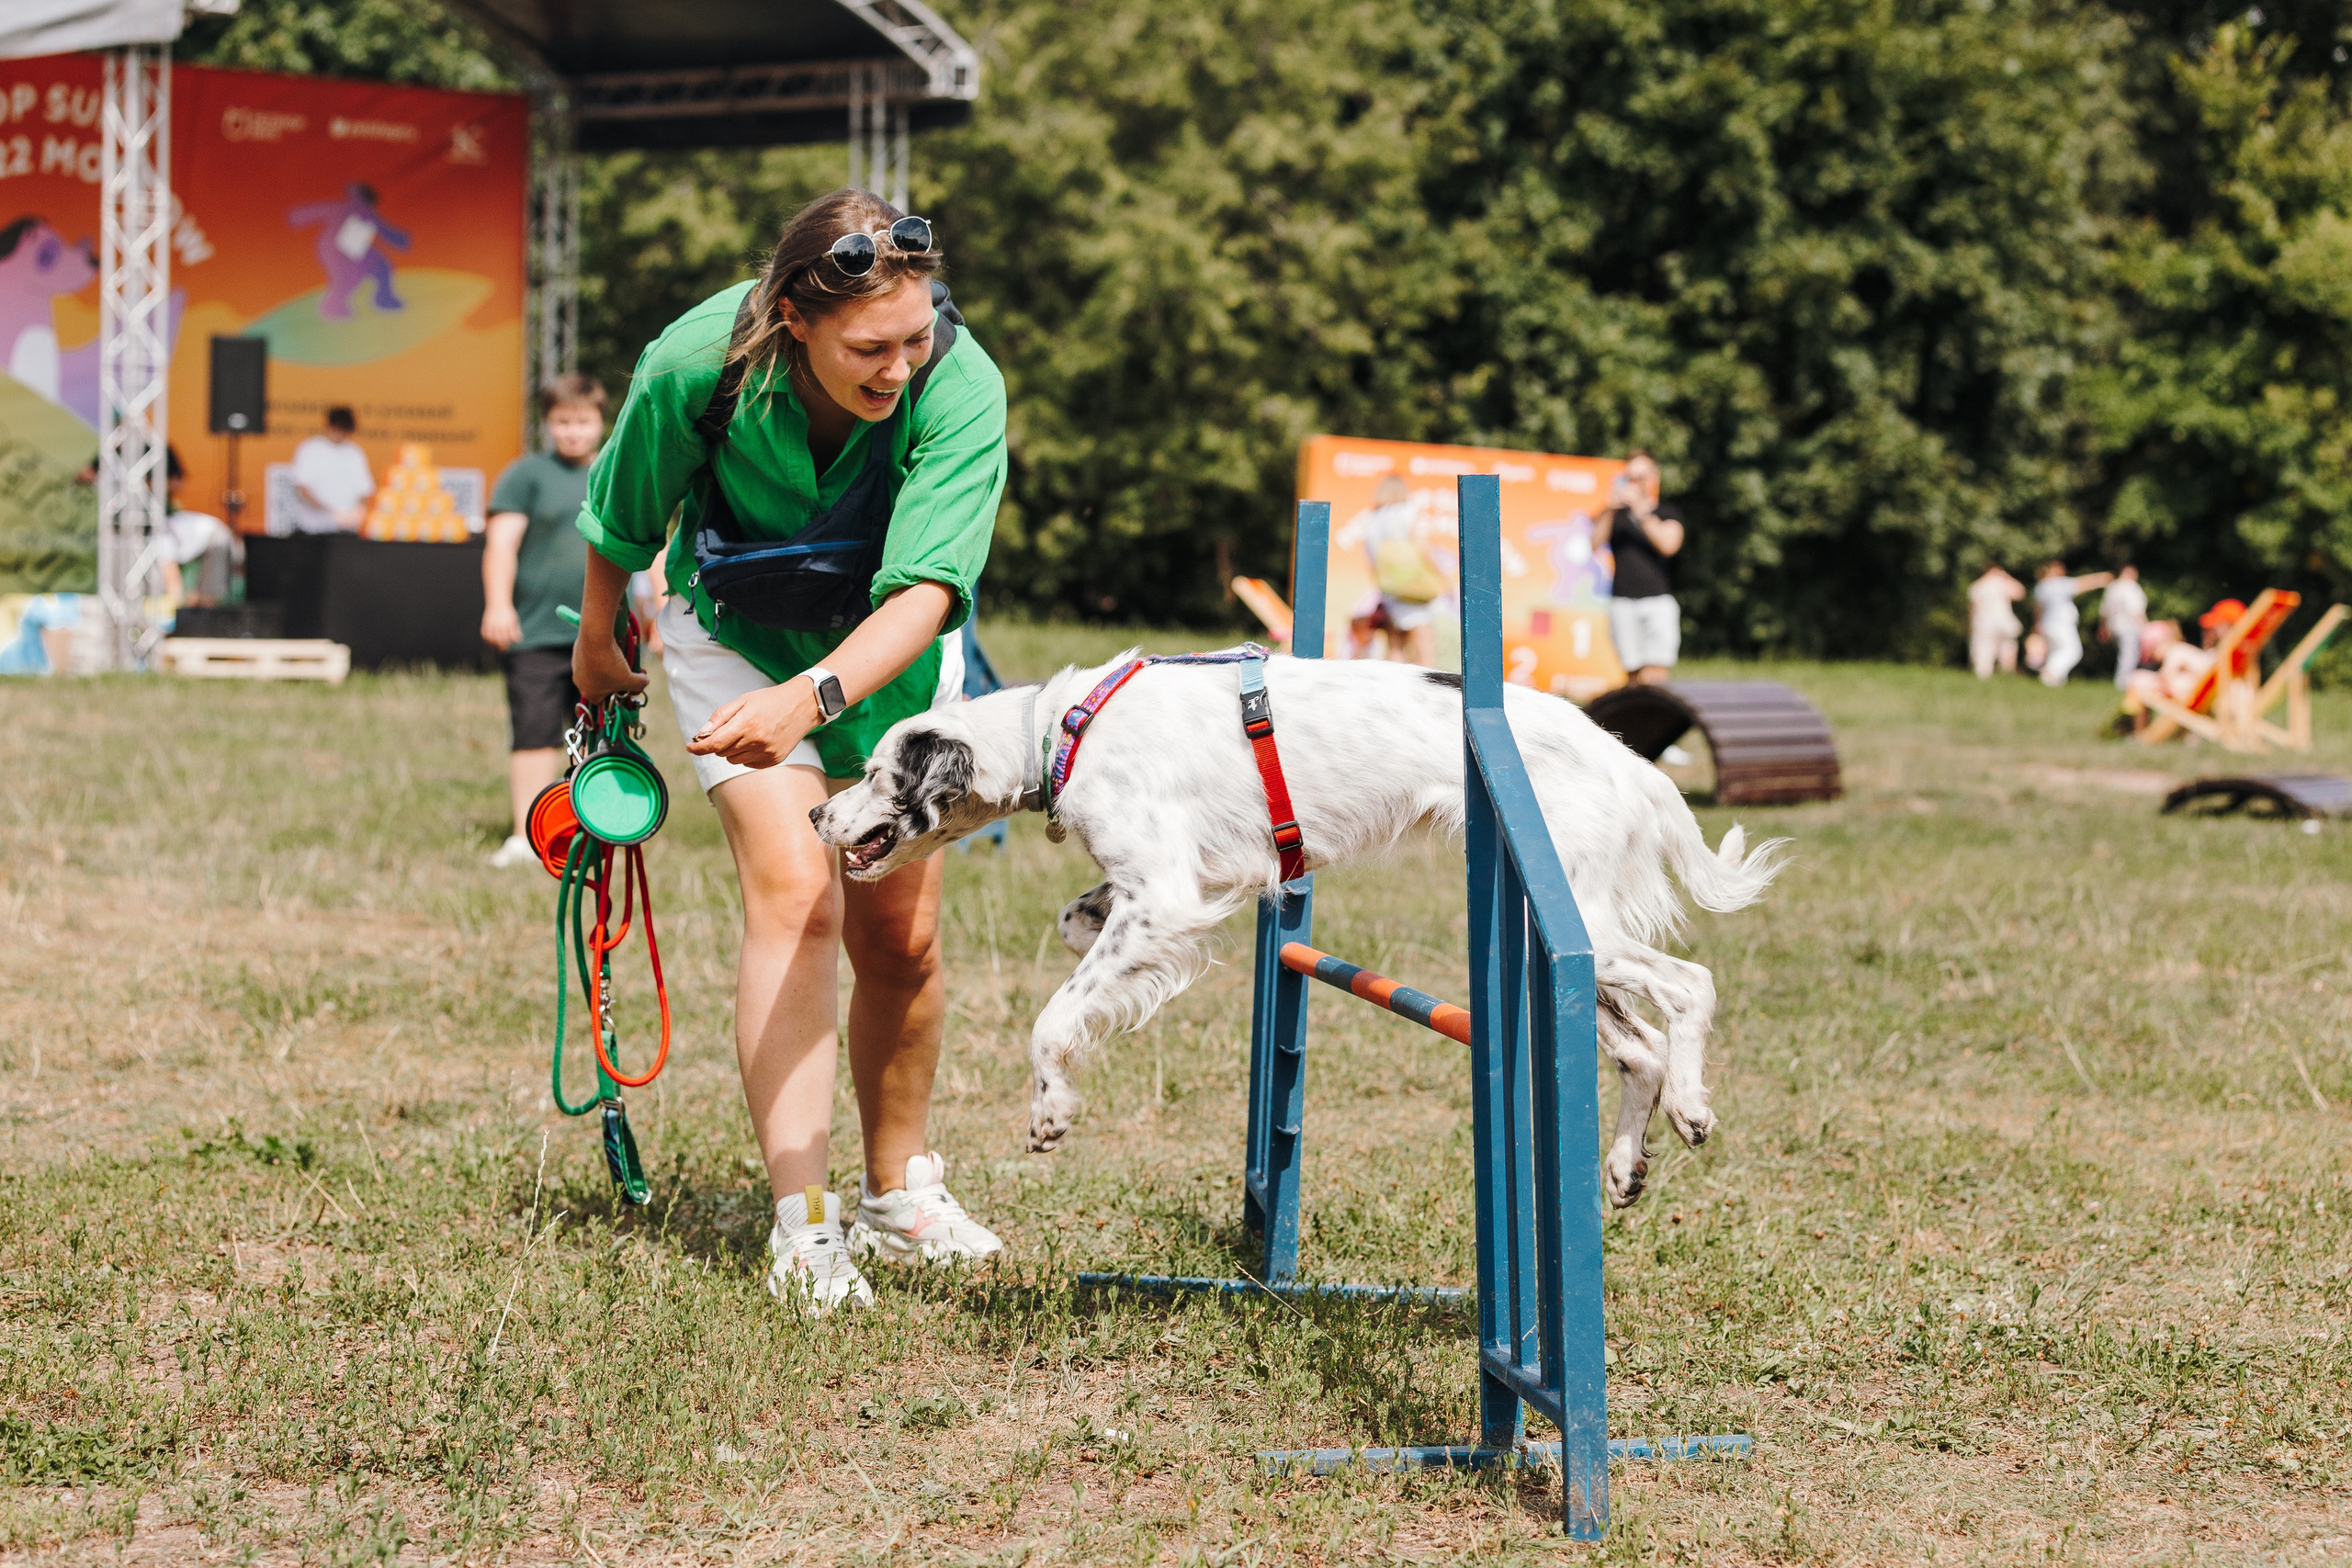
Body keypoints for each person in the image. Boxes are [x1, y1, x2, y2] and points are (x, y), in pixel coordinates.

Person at [572, 190, 1008, 1314]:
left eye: (915, 336)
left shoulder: (960, 383)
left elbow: (925, 594)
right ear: (793, 322)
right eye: (870, 348)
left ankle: (899, 1194)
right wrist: (593, 639)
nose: (899, 367)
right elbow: (624, 514)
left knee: (900, 937)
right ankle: (804, 1229)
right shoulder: (694, 364)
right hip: (731, 640)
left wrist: (811, 701)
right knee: (797, 893)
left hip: (890, 667)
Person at [481, 374, 606, 869]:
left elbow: (652, 547)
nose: (573, 432)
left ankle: (593, 831)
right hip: (536, 632)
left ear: (601, 422)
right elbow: (501, 545)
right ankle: (525, 835)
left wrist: (660, 611)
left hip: (603, 636)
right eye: (562, 422)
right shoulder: (525, 475)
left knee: (600, 737)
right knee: (533, 732)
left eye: (583, 421)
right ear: (547, 424)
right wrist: (498, 604)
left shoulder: (616, 473)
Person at [1594, 450, 1684, 686]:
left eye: (1640, 478)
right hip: (1622, 601)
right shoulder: (1615, 515)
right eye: (1630, 478)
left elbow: (1668, 545)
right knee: (1632, 674)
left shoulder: (1666, 513)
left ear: (1654, 478)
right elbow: (1593, 544)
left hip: (1657, 601)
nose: (1634, 484)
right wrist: (1608, 508)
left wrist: (1642, 513)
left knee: (1656, 672)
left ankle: (1658, 722)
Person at [1356, 475, 1445, 665]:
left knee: (1395, 644)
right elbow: (1423, 547)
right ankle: (1426, 691)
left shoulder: (1372, 519)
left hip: (1388, 589)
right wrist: (1442, 575)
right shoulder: (1407, 512)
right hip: (1412, 587)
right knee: (1425, 643)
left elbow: (1370, 558)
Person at [288, 406, 374, 533]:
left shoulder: (355, 453)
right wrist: (331, 513)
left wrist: (358, 513)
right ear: (329, 426)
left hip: (346, 530)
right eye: (338, 429)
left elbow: (365, 491)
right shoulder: (310, 449)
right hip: (313, 529)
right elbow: (302, 489)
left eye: (345, 431)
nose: (341, 434)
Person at [2030, 560, 2113, 687]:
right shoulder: (2058, 584)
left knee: (2056, 652)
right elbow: (2082, 583)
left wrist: (2036, 626)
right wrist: (2101, 579)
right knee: (2073, 651)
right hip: (2061, 624)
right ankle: (2049, 673)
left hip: (2046, 625)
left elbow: (2038, 610)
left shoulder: (2041, 587)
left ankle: (2055, 682)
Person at [1965, 564, 2025, 678]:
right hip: (2003, 623)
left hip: (1984, 623)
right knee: (2007, 649)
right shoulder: (2002, 583)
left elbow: (1972, 608)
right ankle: (2007, 675)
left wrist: (1971, 625)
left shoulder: (1977, 585)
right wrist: (2007, 578)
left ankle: (1983, 675)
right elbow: (2020, 593)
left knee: (1984, 651)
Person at [2098, 563, 2148, 691]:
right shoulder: (2131, 587)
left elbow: (2104, 611)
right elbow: (2136, 610)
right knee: (2129, 654)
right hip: (2129, 625)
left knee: (2124, 653)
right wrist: (2145, 626)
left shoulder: (2113, 587)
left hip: (2114, 625)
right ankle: (2123, 681)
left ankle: (2122, 680)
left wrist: (2103, 628)